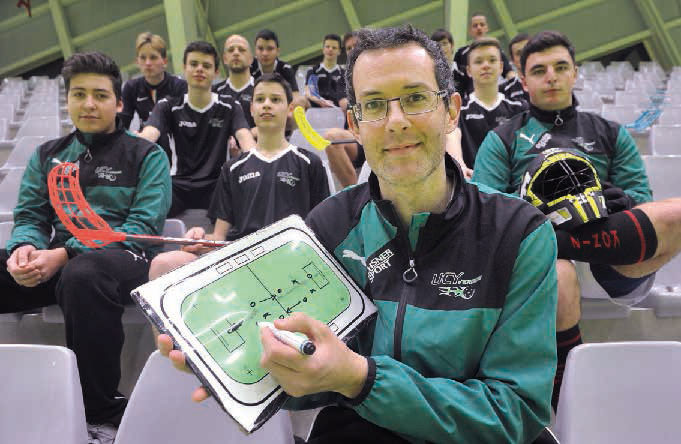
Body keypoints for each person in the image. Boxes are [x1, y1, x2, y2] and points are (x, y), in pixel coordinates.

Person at [159, 25, 558, 444]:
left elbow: (516, 411)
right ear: (355, 124)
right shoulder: (329, 226)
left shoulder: (519, 234)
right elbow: (310, 374)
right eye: (375, 105)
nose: (396, 122)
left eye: (415, 98)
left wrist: (361, 378)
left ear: (451, 110)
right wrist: (238, 366)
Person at [472, 30, 681, 409]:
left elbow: (641, 200)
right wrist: (539, 213)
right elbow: (485, 210)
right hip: (539, 257)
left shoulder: (610, 133)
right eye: (539, 70)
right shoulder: (502, 138)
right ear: (524, 82)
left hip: (613, 253)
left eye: (560, 67)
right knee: (558, 272)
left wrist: (622, 203)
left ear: (574, 73)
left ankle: (567, 245)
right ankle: (566, 388)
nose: (551, 77)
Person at [0, 52, 171, 444]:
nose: (89, 104)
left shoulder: (147, 155)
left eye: (100, 95)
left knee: (83, 274)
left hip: (125, 259)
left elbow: (141, 229)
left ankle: (100, 413)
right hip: (60, 261)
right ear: (69, 100)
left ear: (119, 103)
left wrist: (64, 254)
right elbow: (30, 216)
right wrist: (24, 250)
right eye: (79, 94)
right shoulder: (48, 155)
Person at [149, 73, 330, 277]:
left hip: (293, 263)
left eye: (275, 99)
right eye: (260, 99)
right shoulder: (232, 169)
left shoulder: (309, 163)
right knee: (163, 263)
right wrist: (199, 238)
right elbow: (219, 237)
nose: (267, 105)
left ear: (289, 108)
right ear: (251, 109)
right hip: (243, 266)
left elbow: (322, 230)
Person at [139, 41, 256, 217]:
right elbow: (149, 135)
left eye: (206, 66)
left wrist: (258, 162)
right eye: (194, 64)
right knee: (148, 206)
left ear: (216, 72)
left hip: (216, 185)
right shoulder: (168, 106)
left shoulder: (230, 106)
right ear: (184, 68)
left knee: (241, 207)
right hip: (178, 185)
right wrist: (134, 144)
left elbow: (246, 139)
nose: (199, 69)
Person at [457, 37, 526, 171]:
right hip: (474, 182)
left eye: (492, 60)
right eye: (478, 61)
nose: (486, 65)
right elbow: (452, 137)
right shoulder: (459, 111)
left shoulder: (520, 108)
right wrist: (460, 164)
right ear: (469, 70)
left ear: (501, 67)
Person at [118, 32, 187, 164]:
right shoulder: (131, 87)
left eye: (153, 57)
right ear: (137, 62)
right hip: (146, 148)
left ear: (164, 61)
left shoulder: (179, 86)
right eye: (143, 58)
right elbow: (122, 123)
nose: (148, 63)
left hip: (175, 151)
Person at [452, 13, 515, 97]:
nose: (479, 28)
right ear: (470, 31)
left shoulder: (497, 51)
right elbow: (455, 81)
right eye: (475, 26)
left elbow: (509, 73)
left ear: (487, 28)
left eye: (482, 24)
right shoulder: (461, 53)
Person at [212, 34, 256, 128]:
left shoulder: (263, 90)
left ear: (251, 59)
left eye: (241, 50)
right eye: (231, 50)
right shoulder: (213, 93)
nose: (236, 53)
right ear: (225, 59)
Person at [305, 34, 348, 111]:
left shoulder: (344, 73)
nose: (330, 49)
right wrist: (321, 101)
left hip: (339, 111)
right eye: (327, 47)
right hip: (316, 109)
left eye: (334, 48)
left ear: (339, 51)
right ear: (323, 49)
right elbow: (309, 92)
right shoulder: (314, 71)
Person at [499, 33, 530, 101]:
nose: (524, 56)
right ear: (512, 60)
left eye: (528, 50)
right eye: (519, 53)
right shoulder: (504, 94)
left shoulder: (551, 79)